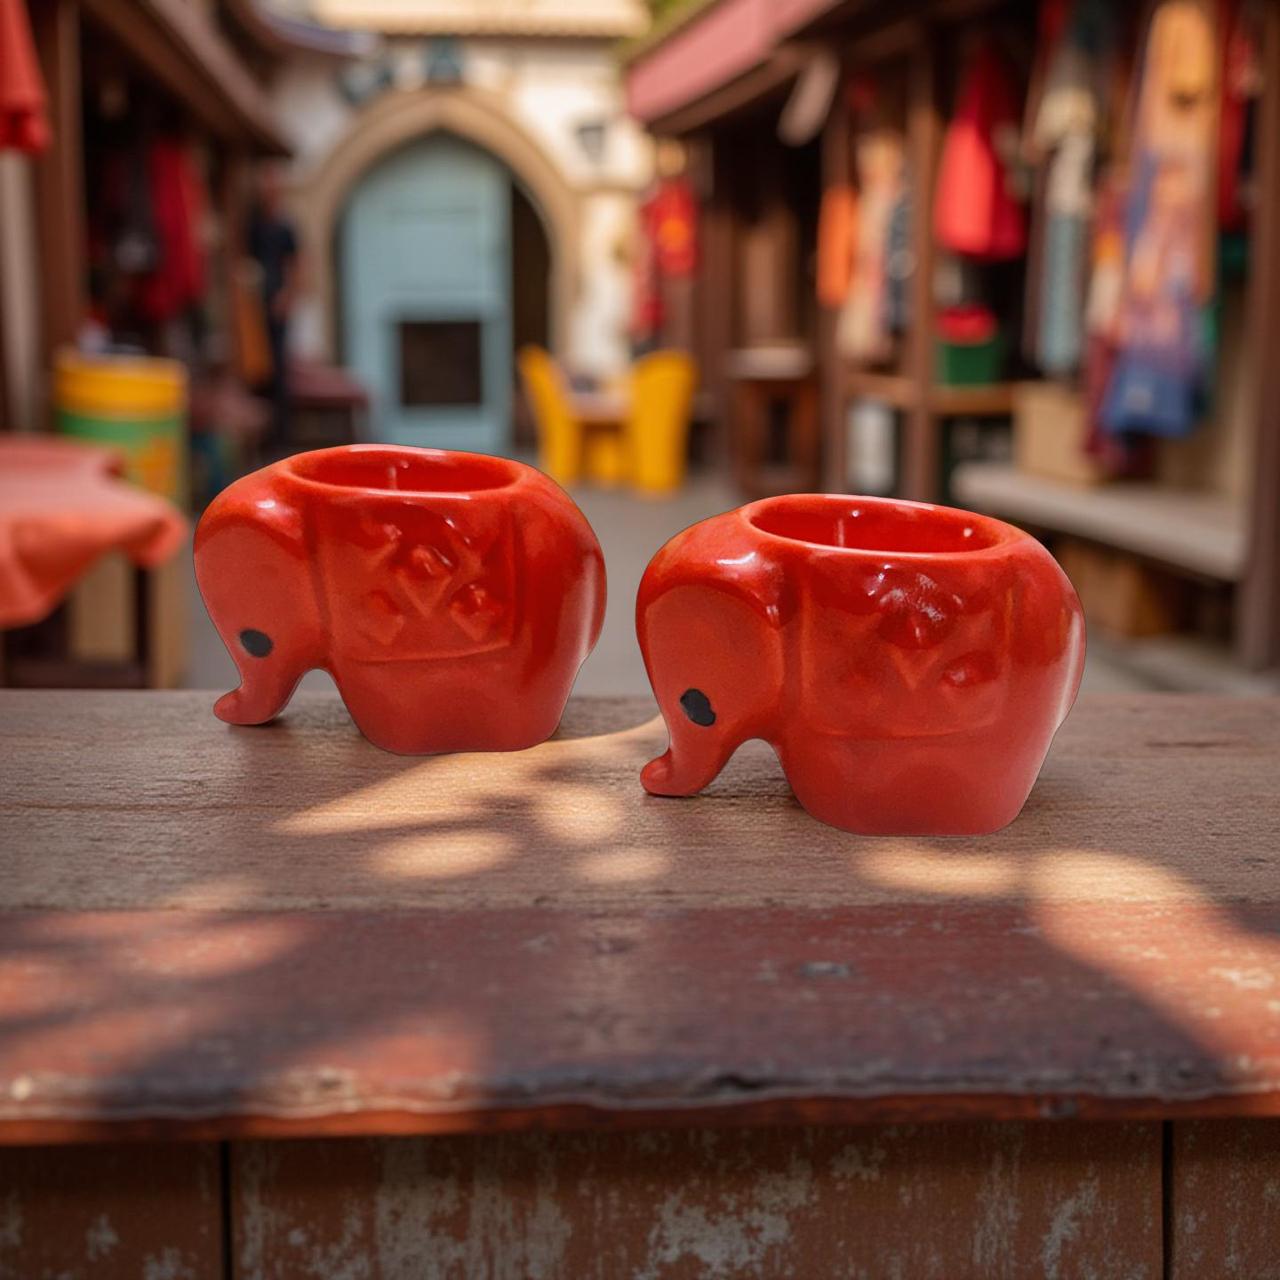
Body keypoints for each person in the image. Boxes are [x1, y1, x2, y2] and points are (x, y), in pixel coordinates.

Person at [247, 163, 300, 452]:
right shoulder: (254, 224)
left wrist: (286, 296)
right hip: (255, 306)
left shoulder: (285, 226)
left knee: (279, 370)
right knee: (259, 368)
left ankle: (282, 436)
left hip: (276, 305)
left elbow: (296, 265)